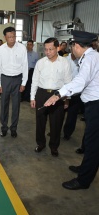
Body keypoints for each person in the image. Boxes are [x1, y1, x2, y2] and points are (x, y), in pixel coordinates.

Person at [44, 30, 99, 190]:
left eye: (72, 45)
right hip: (92, 104)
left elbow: (81, 81)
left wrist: (58, 94)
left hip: (96, 106)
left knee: (93, 144)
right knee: (90, 142)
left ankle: (83, 180)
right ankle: (85, 168)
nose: (72, 49)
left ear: (76, 45)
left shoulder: (89, 59)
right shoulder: (92, 56)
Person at [30, 37, 72, 157]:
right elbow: (35, 81)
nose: (47, 52)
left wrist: (67, 100)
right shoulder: (40, 63)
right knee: (40, 122)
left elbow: (68, 83)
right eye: (46, 49)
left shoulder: (65, 63)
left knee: (56, 124)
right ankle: (41, 143)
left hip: (58, 96)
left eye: (51, 49)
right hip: (42, 94)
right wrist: (32, 98)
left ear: (58, 48)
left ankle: (54, 146)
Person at [0, 27, 28, 138]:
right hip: (5, 79)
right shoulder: (0, 49)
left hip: (17, 79)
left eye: (13, 36)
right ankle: (4, 127)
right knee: (4, 104)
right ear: (5, 37)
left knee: (16, 105)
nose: (12, 39)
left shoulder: (22, 48)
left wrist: (23, 83)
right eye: (9, 37)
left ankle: (14, 128)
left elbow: (25, 66)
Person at [63, 51, 82, 140]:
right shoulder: (65, 60)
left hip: (75, 93)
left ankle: (67, 133)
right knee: (59, 113)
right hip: (63, 91)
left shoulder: (82, 61)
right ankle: (55, 130)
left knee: (72, 115)